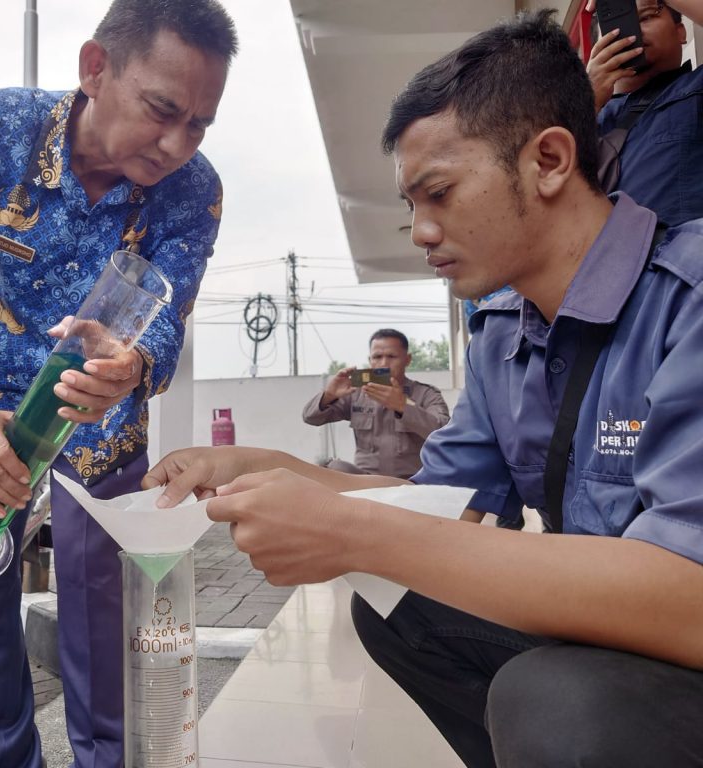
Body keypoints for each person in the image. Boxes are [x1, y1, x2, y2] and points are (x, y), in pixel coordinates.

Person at [145, 11, 703, 767]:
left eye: (439, 193)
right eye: (411, 205)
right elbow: (439, 503)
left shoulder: (688, 298)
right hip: (617, 639)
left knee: (555, 702)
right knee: (400, 606)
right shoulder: (502, 333)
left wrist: (352, 532)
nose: (420, 232)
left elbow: (690, 597)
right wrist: (259, 467)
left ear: (548, 160)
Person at [0, 1, 237, 765]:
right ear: (95, 68)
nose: (177, 144)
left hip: (101, 428)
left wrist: (130, 365)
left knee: (109, 629)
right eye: (163, 110)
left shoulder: (193, 191)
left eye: (199, 124)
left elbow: (166, 317)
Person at [586, 0, 703, 224]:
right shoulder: (579, 120)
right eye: (616, 24)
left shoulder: (697, 87)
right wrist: (586, 100)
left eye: (647, 17)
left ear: (681, 31)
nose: (634, 31)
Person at [302, 328, 448, 479]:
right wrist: (329, 395)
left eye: (391, 356)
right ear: (370, 360)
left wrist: (402, 406)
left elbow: (444, 432)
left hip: (411, 481)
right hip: (366, 480)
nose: (384, 363)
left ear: (407, 359)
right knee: (331, 467)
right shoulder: (356, 392)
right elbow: (310, 417)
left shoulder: (426, 394)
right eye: (377, 357)